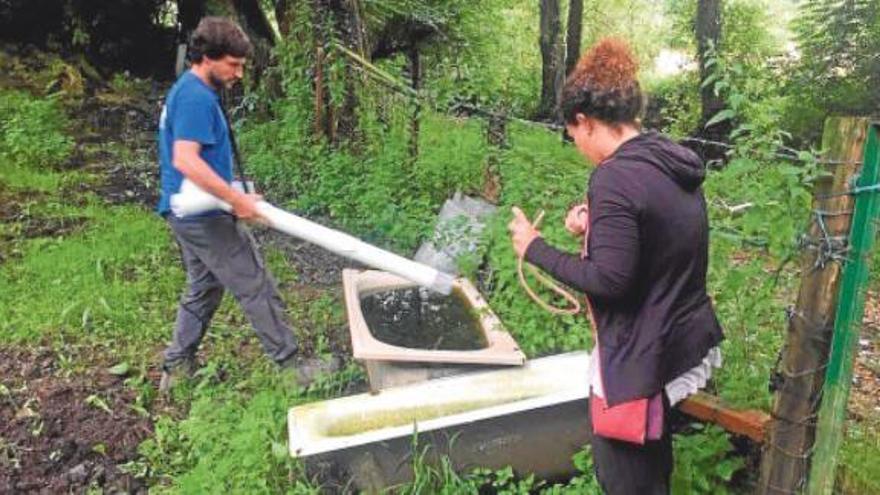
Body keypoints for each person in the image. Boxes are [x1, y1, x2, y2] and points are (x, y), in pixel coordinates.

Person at [508, 38, 724, 494]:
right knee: (652, 466)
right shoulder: (665, 158)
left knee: (623, 475)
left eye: (573, 138)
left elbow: (611, 282)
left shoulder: (614, 177)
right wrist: (595, 226)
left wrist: (535, 248)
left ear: (584, 122)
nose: (578, 148)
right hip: (680, 339)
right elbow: (660, 235)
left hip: (641, 358)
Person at [156, 17, 332, 393]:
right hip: (203, 214)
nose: (238, 74)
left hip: (186, 210)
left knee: (204, 287)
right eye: (233, 65)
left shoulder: (192, 89)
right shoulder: (195, 97)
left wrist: (235, 191)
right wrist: (235, 199)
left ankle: (177, 368)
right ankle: (292, 370)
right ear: (207, 57)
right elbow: (186, 160)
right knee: (254, 282)